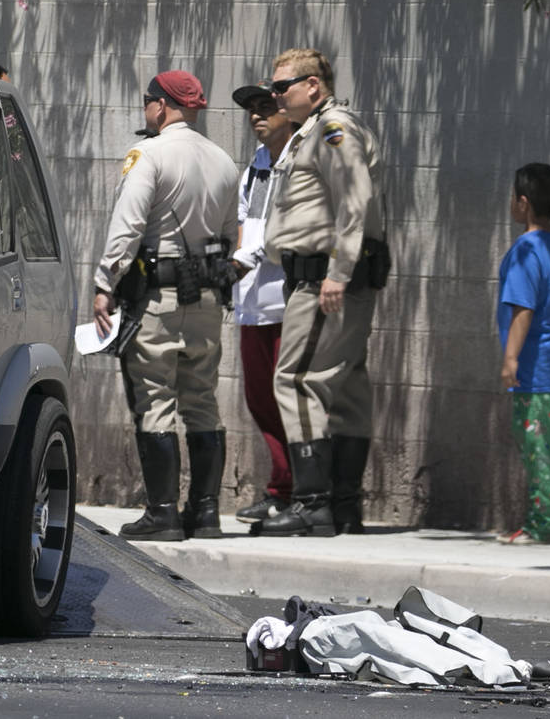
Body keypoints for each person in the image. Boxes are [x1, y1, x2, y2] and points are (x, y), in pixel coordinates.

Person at [93, 70, 238, 541]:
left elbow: (128, 227)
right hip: (207, 296)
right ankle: (208, 512)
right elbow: (232, 233)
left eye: (147, 102)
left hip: (159, 297)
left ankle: (163, 513)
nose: (145, 110)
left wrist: (105, 283)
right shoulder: (223, 161)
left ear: (162, 105)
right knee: (201, 401)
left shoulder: (149, 154)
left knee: (154, 399)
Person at [254, 48, 390, 537]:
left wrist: (337, 270)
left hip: (325, 281)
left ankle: (313, 503)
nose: (274, 95)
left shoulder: (333, 129)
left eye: (281, 86)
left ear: (313, 85)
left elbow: (355, 195)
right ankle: (345, 505)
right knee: (347, 382)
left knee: (295, 379)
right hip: (328, 277)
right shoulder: (312, 133)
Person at [495, 163, 550, 545]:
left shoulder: (525, 251)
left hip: (537, 371)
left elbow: (522, 308)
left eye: (514, 197)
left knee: (540, 451)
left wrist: (511, 359)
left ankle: (546, 525)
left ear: (523, 203)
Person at [228, 81, 296, 524]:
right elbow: (243, 223)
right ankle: (281, 487)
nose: (257, 115)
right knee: (258, 397)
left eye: (266, 106)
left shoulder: (297, 162)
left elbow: (282, 227)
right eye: (252, 108)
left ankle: (292, 490)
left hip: (286, 298)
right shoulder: (256, 163)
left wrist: (241, 261)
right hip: (252, 298)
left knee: (286, 397)